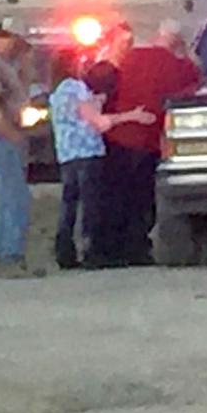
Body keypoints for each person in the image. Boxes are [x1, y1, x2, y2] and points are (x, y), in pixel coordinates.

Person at [91, 20, 200, 266]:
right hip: (148, 142)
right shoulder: (181, 67)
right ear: (178, 42)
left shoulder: (129, 58)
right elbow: (195, 83)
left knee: (114, 196)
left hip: (117, 138)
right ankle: (136, 248)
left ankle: (109, 250)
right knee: (141, 199)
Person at [48, 49, 154, 269]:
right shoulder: (76, 88)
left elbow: (79, 114)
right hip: (87, 153)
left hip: (66, 154)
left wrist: (96, 100)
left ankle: (64, 252)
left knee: (69, 205)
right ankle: (90, 251)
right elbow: (99, 123)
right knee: (89, 205)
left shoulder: (57, 92)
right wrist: (132, 115)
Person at [0, 28, 43, 278]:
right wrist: (9, 132)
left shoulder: (4, 65)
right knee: (15, 196)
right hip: (3, 135)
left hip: (11, 132)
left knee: (10, 195)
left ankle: (8, 253)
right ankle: (9, 255)